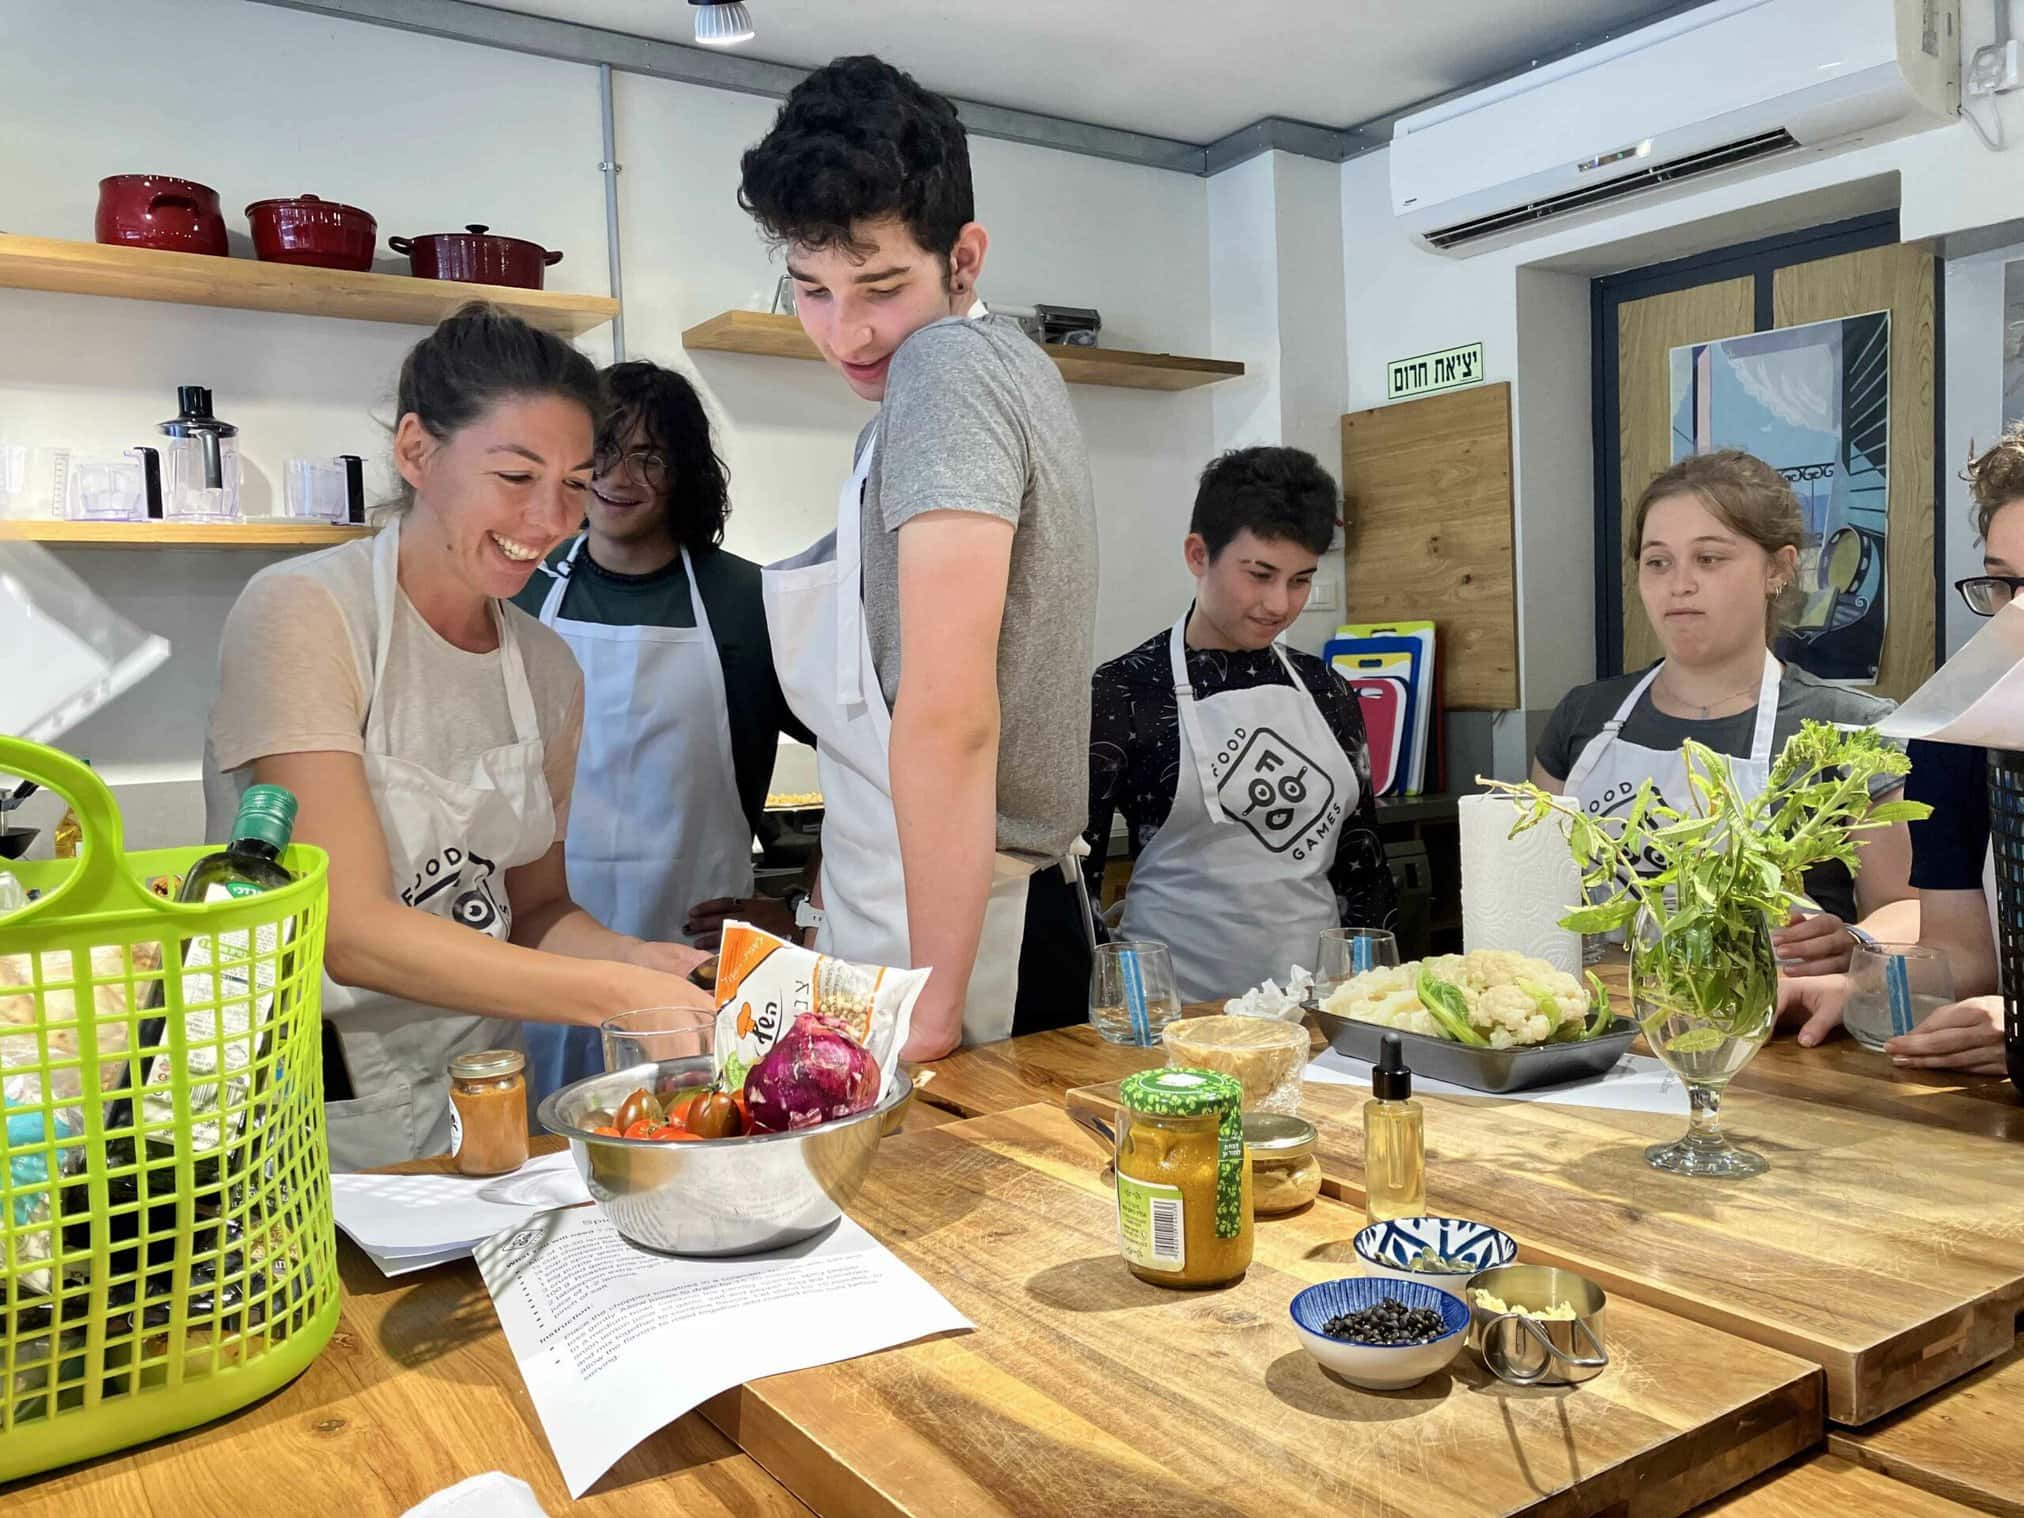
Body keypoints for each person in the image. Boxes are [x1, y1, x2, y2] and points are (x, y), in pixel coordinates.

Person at [205, 304, 711, 1169]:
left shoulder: (546, 667)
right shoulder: (306, 614)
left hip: (486, 1092)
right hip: (315, 1100)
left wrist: (639, 959)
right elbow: (349, 931)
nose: (552, 518)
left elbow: (536, 909)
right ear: (415, 451)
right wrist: (613, 992)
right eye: (516, 476)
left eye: (576, 482)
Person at [738, 56, 1099, 1057]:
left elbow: (949, 716)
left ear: (965, 259)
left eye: (881, 285)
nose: (843, 330)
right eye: (808, 289)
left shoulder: (943, 370)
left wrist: (930, 1012)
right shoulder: (970, 381)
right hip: (930, 908)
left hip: (969, 935)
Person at [510, 360, 811, 1098]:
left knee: (697, 1133)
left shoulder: (749, 602)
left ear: (686, 474)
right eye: (604, 451)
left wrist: (803, 905)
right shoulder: (519, 588)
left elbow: (880, 762)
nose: (620, 475)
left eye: (651, 457)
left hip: (693, 954)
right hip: (543, 953)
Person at [1533, 450, 1915, 974]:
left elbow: (1907, 910)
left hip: (1772, 1033)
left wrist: (1857, 938)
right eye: (1658, 561)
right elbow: (1533, 888)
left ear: (1778, 570)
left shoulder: (1851, 728)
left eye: (1709, 558)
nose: (1679, 583)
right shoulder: (1583, 716)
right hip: (1592, 1025)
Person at [1084, 447, 1398, 1002]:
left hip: (1319, 1006)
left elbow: (1362, 861)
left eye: (1301, 580)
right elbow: (1076, 886)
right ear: (1198, 554)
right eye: (1259, 575)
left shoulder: (1327, 689)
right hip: (1173, 1015)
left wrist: (1377, 996)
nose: (1279, 604)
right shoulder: (1126, 690)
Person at [1780, 426, 2024, 1072]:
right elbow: (1960, 952)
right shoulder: (1958, 734)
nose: (2016, 616)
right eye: (2003, 585)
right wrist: (1863, 989)